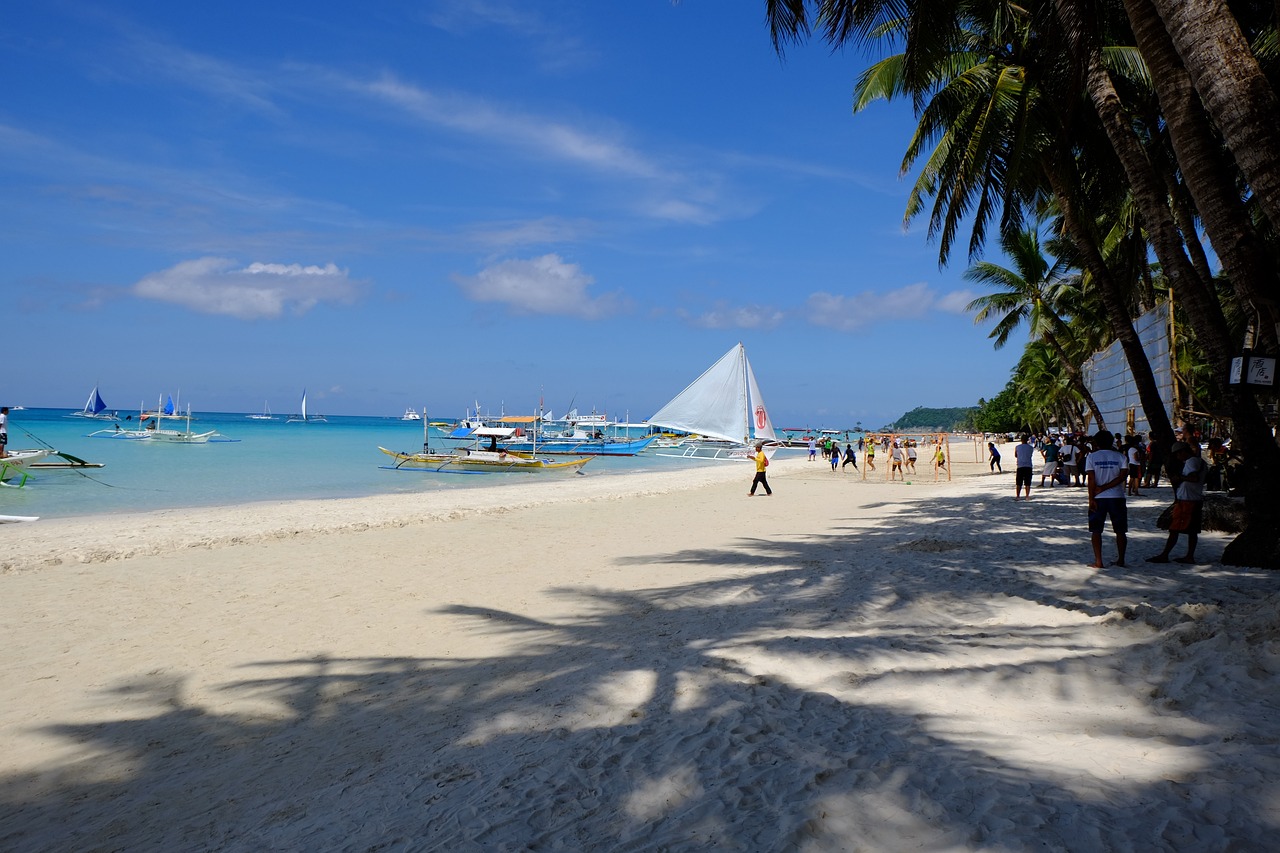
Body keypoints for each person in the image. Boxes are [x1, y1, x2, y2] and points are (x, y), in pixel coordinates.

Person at [1147, 441, 1207, 564]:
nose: (1177, 457)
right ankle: (1189, 556)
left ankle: (1165, 555)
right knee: (1192, 531)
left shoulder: (1191, 462)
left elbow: (1194, 478)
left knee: (1174, 529)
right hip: (1194, 498)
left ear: (1183, 452)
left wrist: (1180, 478)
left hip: (1187, 501)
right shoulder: (1200, 462)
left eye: (1177, 454)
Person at [1085, 430, 1128, 568]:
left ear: (1096, 442)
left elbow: (1091, 478)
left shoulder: (1092, 457)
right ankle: (1121, 559)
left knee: (1096, 530)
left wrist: (1091, 498)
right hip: (1117, 496)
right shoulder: (1121, 457)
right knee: (1120, 530)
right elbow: (1122, 477)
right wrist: (1106, 487)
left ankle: (1098, 561)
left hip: (1099, 497)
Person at [1013, 434, 1034, 500]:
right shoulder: (1031, 447)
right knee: (1027, 482)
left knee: (1019, 482)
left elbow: (1016, 455)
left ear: (1021, 440)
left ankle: (1018, 496)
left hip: (1020, 465)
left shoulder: (1017, 447)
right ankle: (1027, 496)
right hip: (1028, 465)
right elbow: (1030, 455)